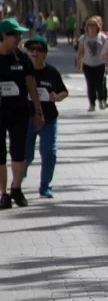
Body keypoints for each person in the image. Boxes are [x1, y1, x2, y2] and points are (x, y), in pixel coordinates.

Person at [0, 19, 46, 209]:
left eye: (20, 34)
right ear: (3, 36)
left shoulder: (22, 57)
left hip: (19, 112)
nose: (19, 37)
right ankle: (3, 194)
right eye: (15, 34)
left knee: (18, 152)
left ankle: (16, 188)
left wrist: (38, 111)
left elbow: (31, 85)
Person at [23, 36, 68, 199]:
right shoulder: (22, 71)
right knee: (26, 155)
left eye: (39, 50)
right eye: (31, 49)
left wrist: (57, 96)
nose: (34, 53)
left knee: (49, 153)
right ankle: (19, 179)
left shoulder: (52, 72)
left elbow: (64, 91)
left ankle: (45, 186)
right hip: (26, 119)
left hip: (49, 118)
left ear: (45, 53)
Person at [76, 17, 108, 112]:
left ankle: (101, 100)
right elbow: (80, 52)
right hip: (87, 65)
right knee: (90, 84)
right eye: (89, 25)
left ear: (97, 26)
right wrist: (78, 65)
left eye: (93, 25)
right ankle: (92, 103)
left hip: (100, 64)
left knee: (100, 83)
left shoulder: (102, 37)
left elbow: (107, 51)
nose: (91, 27)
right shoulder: (83, 38)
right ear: (86, 27)